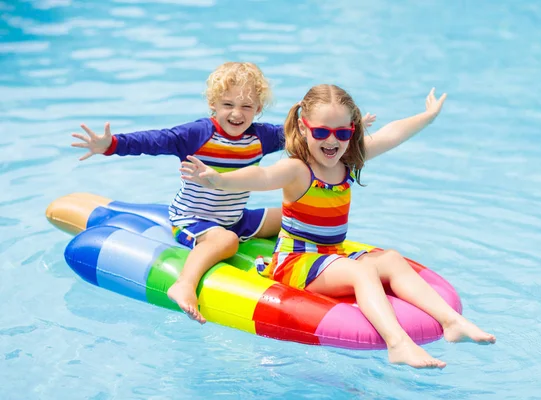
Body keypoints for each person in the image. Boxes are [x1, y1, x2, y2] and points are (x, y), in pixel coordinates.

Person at [179, 84, 496, 369]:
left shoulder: (348, 161)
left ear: (352, 131)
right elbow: (261, 178)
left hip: (333, 254)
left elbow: (391, 134)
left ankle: (452, 322)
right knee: (362, 271)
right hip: (296, 262)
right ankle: (398, 344)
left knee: (392, 259)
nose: (332, 141)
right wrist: (218, 178)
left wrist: (427, 116)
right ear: (304, 129)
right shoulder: (297, 170)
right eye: (321, 132)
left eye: (342, 134)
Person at [71, 62, 376, 324]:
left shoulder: (262, 136)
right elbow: (153, 141)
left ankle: (316, 260)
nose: (236, 113)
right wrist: (110, 146)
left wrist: (340, 130)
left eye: (246, 106)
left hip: (235, 216)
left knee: (293, 214)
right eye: (228, 104)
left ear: (258, 109)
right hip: (194, 219)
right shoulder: (197, 135)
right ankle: (185, 284)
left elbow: (312, 135)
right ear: (213, 105)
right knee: (225, 240)